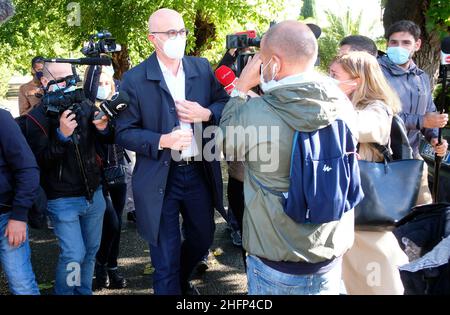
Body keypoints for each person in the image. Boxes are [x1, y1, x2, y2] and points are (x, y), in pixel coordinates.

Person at [219, 20, 358, 295]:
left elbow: (226, 144)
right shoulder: (342, 103)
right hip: (330, 254)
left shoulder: (256, 113)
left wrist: (239, 89)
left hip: (275, 260)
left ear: (275, 63)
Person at [115, 8, 229, 295]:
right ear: (153, 38)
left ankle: (180, 281)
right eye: (170, 33)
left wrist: (206, 112)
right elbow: (123, 132)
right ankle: (172, 284)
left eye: (181, 31)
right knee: (163, 260)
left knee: (203, 239)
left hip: (199, 171)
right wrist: (161, 140)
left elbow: (224, 103)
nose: (178, 37)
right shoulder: (135, 79)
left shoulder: (201, 68)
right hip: (158, 177)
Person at [24, 62, 111, 295]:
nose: (68, 86)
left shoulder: (85, 105)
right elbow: (38, 164)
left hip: (94, 194)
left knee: (91, 250)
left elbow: (107, 142)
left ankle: (83, 291)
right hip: (62, 199)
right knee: (74, 253)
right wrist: (61, 136)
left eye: (71, 80)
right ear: (44, 82)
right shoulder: (35, 118)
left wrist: (103, 128)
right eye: (61, 80)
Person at [330, 51, 412, 294]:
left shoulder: (377, 108)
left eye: (335, 75)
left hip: (368, 216)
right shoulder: (349, 104)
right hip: (351, 214)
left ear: (357, 81)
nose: (330, 80)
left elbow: (358, 126)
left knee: (376, 282)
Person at [378, 20, 448, 204]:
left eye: (406, 42)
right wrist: (422, 121)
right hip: (382, 160)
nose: (398, 47)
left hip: (413, 157)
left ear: (417, 45)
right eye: (393, 42)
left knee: (424, 210)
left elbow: (429, 111)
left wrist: (435, 138)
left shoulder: (422, 77)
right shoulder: (376, 73)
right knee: (387, 218)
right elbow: (379, 116)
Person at [83, 65, 128, 290]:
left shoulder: (118, 108)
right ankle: (99, 264)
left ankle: (112, 267)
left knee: (117, 223)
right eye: (98, 83)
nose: (103, 87)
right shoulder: (86, 109)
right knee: (109, 222)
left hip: (118, 170)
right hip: (96, 175)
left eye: (106, 83)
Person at [0, 108, 40, 295]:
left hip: (6, 219)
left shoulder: (2, 119)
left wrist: (19, 216)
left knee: (22, 285)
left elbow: (27, 168)